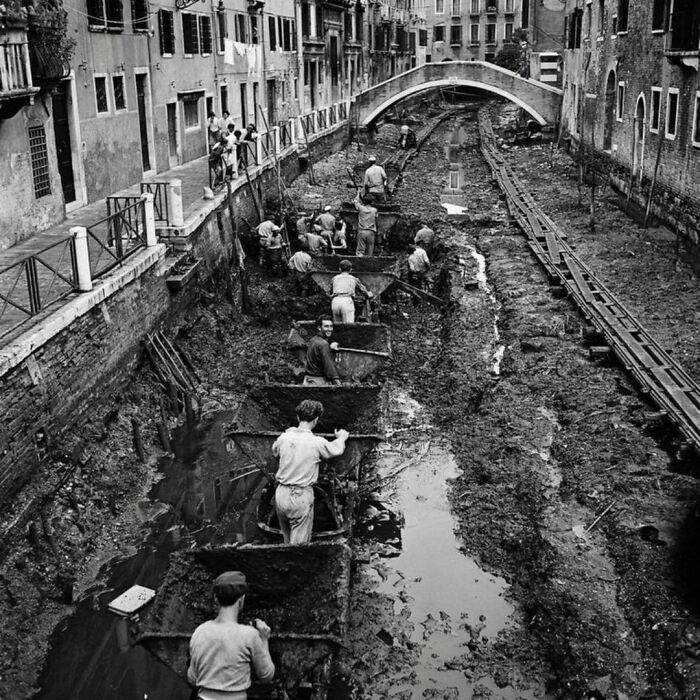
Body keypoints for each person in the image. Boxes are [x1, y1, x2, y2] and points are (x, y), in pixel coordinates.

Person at [187, 571, 275, 699]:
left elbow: (192, 679)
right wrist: (264, 639)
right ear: (241, 599)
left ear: (216, 599)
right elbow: (266, 676)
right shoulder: (249, 635)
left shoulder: (200, 631)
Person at [272, 400, 349, 544]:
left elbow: (275, 452)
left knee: (286, 541)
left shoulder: (283, 438)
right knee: (298, 547)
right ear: (316, 420)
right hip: (300, 497)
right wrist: (342, 437)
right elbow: (336, 449)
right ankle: (297, 565)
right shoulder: (316, 442)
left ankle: (285, 561)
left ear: (297, 418)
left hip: (281, 494)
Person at [303, 316, 341, 386]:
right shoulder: (323, 344)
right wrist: (338, 384)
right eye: (326, 326)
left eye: (331, 326)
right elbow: (330, 369)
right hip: (318, 382)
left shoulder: (312, 340)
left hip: (307, 380)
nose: (329, 329)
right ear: (319, 328)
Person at [354, 190, 378, 257]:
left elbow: (356, 201)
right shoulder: (374, 210)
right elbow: (376, 217)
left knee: (360, 251)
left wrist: (358, 194)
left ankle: (359, 261)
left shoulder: (361, 208)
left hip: (362, 231)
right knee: (370, 251)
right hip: (371, 232)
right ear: (372, 201)